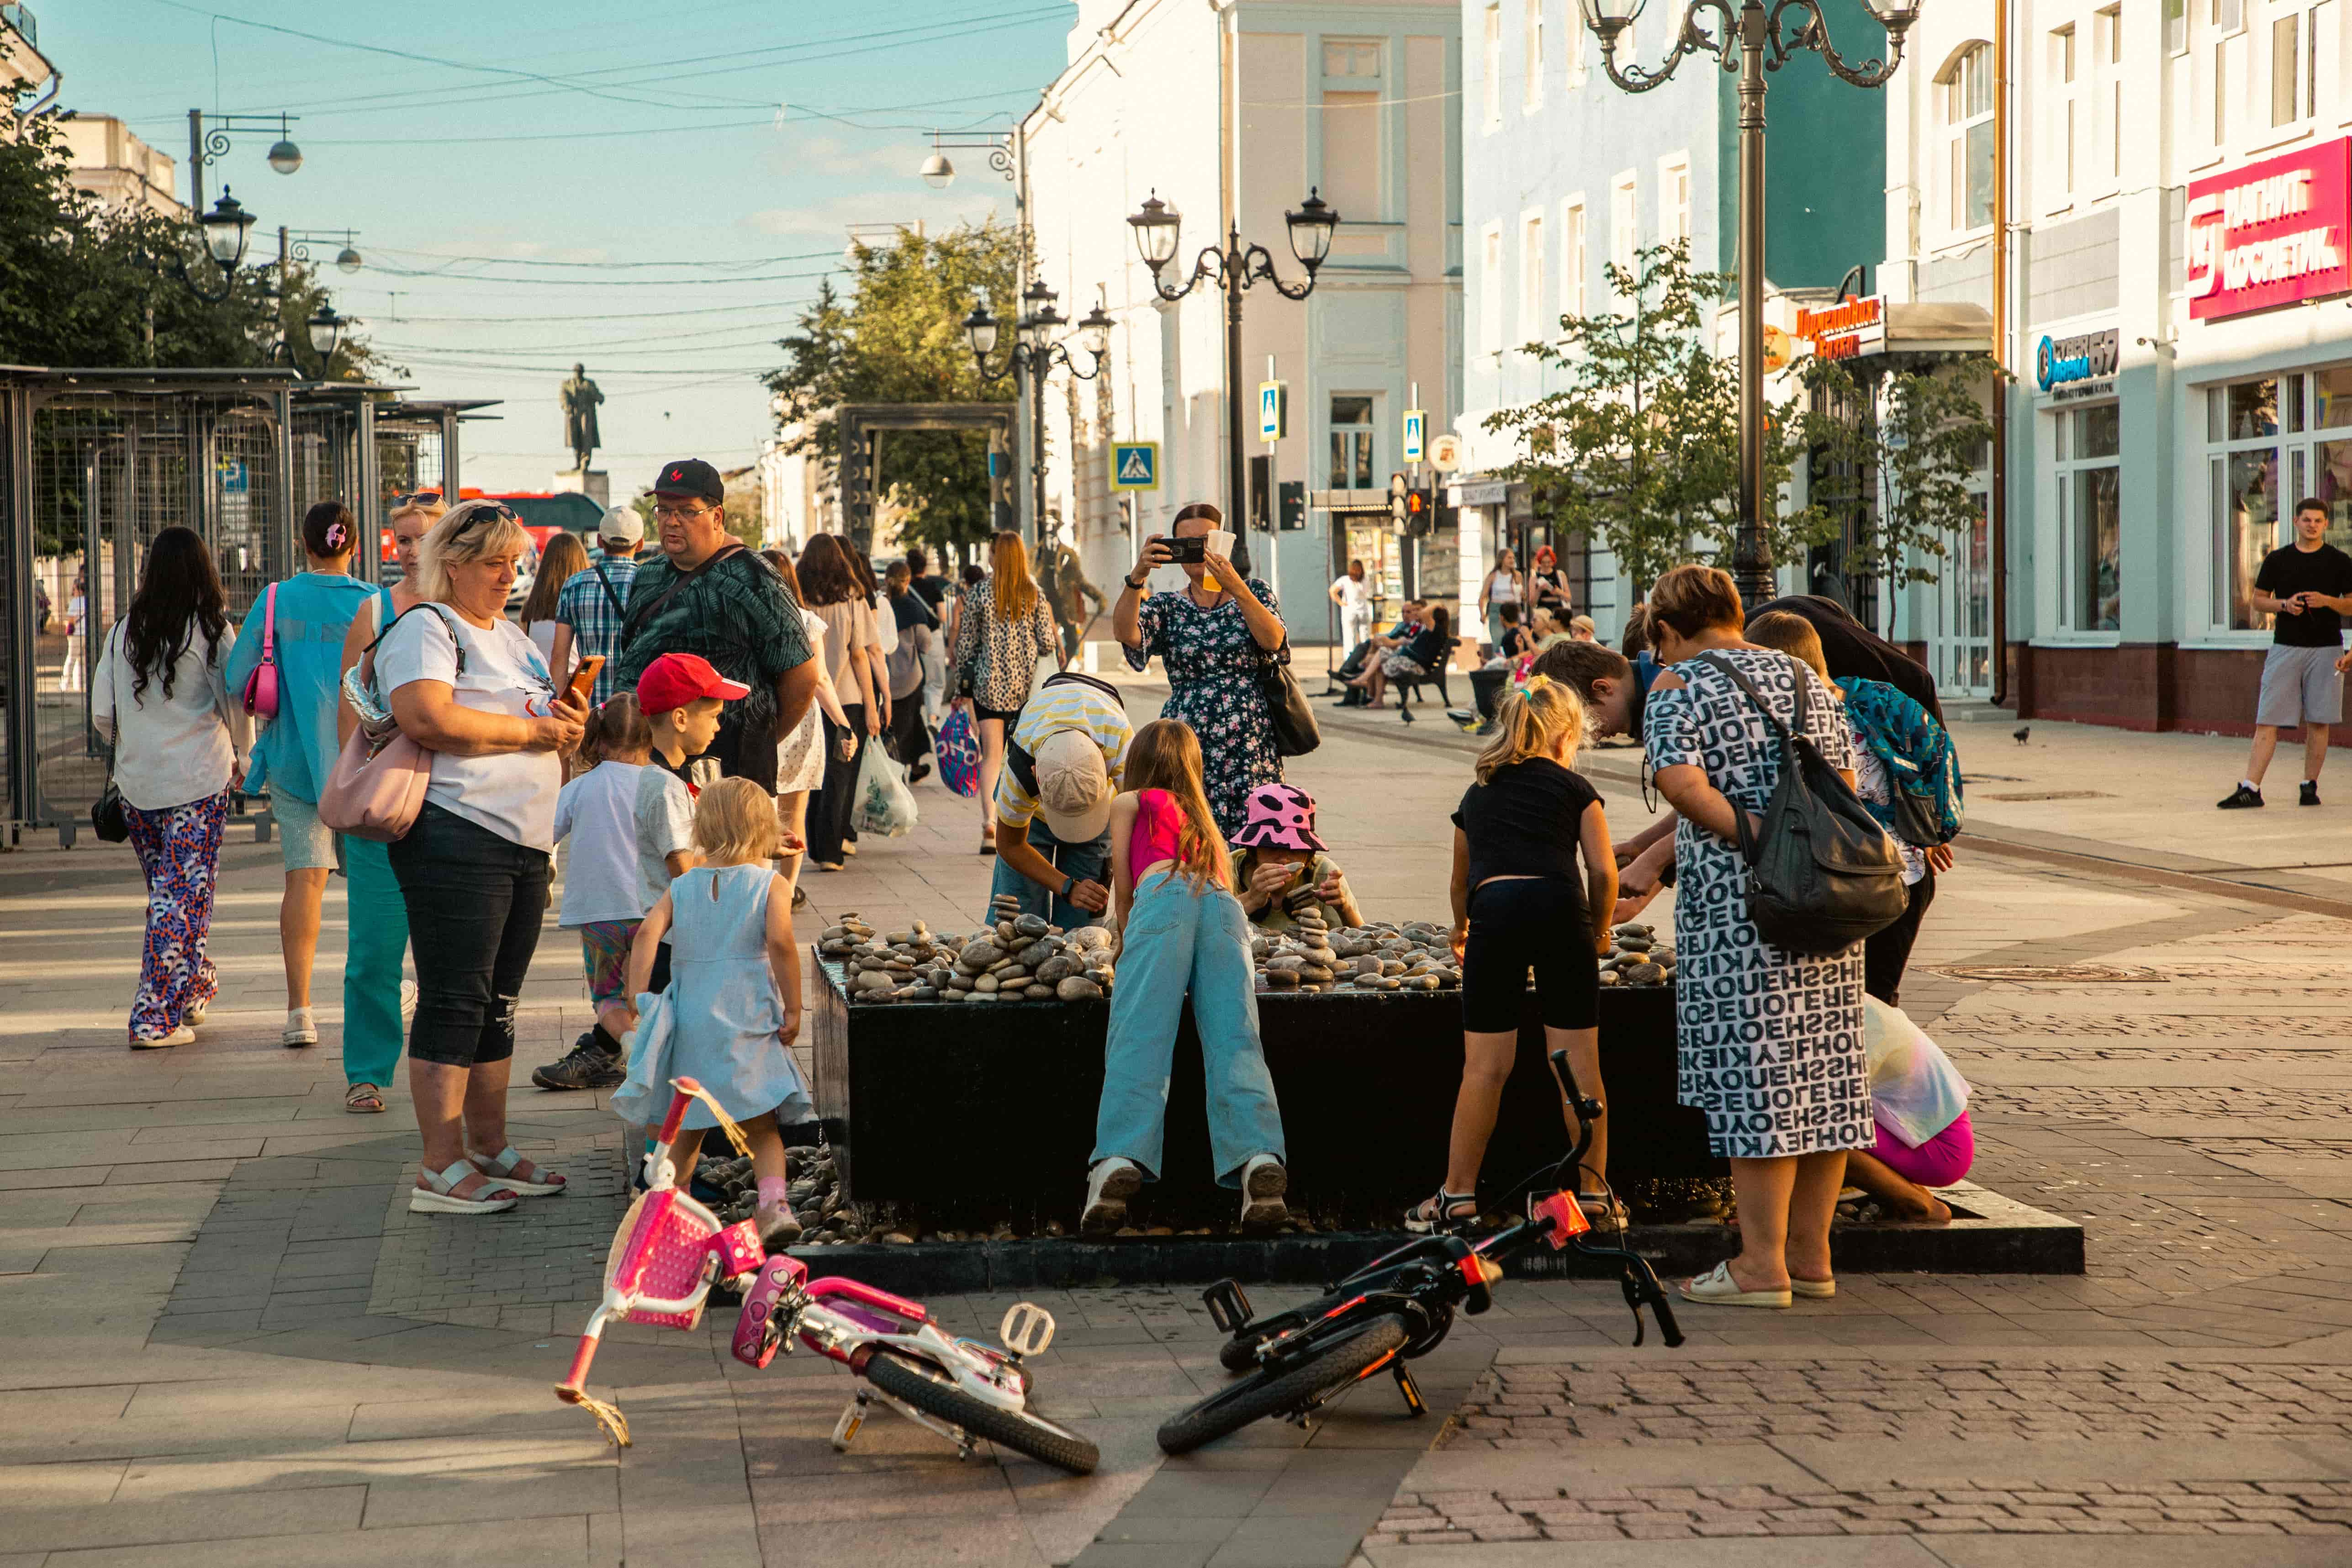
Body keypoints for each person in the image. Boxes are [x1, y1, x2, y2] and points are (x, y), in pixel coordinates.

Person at [1641, 565, 1867, 1309]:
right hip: (1824, 902)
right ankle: (1811, 1256)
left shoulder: (1678, 686)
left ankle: (1758, 1265)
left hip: (1739, 912)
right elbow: (1843, 780)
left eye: (1658, 641)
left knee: (1755, 1079)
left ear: (1669, 631)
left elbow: (1679, 784)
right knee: (1823, 1074)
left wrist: (1753, 832)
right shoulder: (1806, 679)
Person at [376, 499, 586, 1215]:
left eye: (514, 561)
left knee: (499, 1003)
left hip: (524, 841)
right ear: (454, 564)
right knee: (454, 1000)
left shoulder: (517, 638)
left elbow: (537, 716)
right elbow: (426, 717)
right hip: (455, 835)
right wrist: (531, 739)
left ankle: (489, 1147)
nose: (509, 574)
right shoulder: (426, 629)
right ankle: (439, 1167)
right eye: (494, 563)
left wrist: (566, 725)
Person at [1412, 679, 1618, 1232]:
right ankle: (1593, 1195)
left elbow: (1460, 882)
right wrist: (1598, 931)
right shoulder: (1576, 789)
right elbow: (1602, 870)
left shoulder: (1477, 794)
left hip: (1495, 910)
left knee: (1484, 1066)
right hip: (1558, 907)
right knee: (1579, 1064)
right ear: (1569, 734)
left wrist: (1462, 930)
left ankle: (1457, 1196)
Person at [1086, 718, 1289, 1233]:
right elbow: (1225, 897)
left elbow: (1126, 894)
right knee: (1237, 1039)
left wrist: (1126, 948)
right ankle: (1259, 1161)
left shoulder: (1131, 801)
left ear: (1138, 762)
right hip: (1223, 909)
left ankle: (1117, 1160)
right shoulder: (1205, 820)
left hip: (1162, 899)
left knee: (1140, 1035)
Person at [616, 777, 812, 1246]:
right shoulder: (772, 885)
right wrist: (794, 1008)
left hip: (691, 1022)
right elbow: (783, 945)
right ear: (766, 828)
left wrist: (635, 994)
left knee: (687, 1128)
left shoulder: (682, 886)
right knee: (762, 1126)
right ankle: (773, 1206)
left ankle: (670, 1208)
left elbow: (647, 934)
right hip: (747, 1020)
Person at [1747, 610, 1957, 1008]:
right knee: (1878, 998)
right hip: (1905, 873)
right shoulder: (1867, 696)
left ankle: (1902, 1071)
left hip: (1857, 878)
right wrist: (1924, 833)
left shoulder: (1817, 718)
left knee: (1860, 1005)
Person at [227, 500, 375, 1049]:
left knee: (304, 881)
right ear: (352, 546)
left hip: (294, 761)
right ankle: (382, 985)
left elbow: (237, 676)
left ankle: (300, 1011)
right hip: (362, 763)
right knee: (370, 883)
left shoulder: (273, 600)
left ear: (305, 545)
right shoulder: (374, 604)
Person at [94, 527, 248, 1050]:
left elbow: (101, 714)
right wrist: (243, 755)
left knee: (172, 894)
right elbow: (237, 703)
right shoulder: (212, 631)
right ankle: (153, 1017)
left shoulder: (122, 632)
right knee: (181, 898)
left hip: (138, 785)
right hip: (198, 783)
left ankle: (194, 984)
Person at [613, 459, 817, 792]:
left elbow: (802, 677)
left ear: (717, 516)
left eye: (686, 511)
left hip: (731, 776)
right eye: (663, 510)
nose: (671, 521)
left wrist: (759, 738)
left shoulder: (755, 578)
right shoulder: (648, 575)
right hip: (647, 766)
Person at [333, 493, 443, 1112]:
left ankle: (442, 1068)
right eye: (400, 539)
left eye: (420, 537)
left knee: (445, 951)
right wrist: (352, 790)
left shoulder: (461, 609)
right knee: (374, 946)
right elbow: (349, 700)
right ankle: (367, 1071)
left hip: (447, 802)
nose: (407, 549)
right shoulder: (373, 610)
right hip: (383, 802)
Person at [1115, 504, 1290, 838]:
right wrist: (1136, 577)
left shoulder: (1254, 591)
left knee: (1253, 834)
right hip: (1188, 740)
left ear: (1223, 542)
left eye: (1205, 541)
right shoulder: (1167, 605)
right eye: (1187, 542)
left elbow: (1273, 640)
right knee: (1190, 831)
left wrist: (1236, 587)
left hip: (1249, 740)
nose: (1197, 551)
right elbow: (1127, 633)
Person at [535, 693, 655, 1093]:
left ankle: (628, 1043)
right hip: (652, 916)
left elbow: (543, 835)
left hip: (599, 914)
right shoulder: (662, 785)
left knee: (607, 997)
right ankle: (653, 1049)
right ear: (650, 739)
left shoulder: (581, 787)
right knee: (651, 992)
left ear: (598, 740)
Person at [2220, 497, 2352, 809]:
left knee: (2319, 721)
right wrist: (2284, 605)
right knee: (2268, 718)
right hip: (2285, 647)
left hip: (2326, 649)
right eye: (2306, 520)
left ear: (2326, 524)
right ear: (2295, 522)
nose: (2312, 525)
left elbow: (2350, 603)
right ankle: (2250, 788)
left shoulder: (2339, 561)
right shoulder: (2278, 560)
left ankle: (2309, 786)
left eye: (2318, 521)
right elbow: (2258, 600)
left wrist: (2327, 601)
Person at [990, 669, 1131, 929]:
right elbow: (1010, 846)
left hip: (1099, 812)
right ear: (1037, 776)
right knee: (1020, 923)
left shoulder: (1120, 745)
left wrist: (1126, 908)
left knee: (1081, 929)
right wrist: (1067, 887)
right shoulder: (1019, 768)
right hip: (1035, 817)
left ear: (1106, 766)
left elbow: (1142, 830)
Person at [952, 530, 1061, 854]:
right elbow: (1048, 643)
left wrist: (961, 687)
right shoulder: (1034, 595)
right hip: (1027, 691)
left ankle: (989, 824)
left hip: (988, 688)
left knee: (992, 756)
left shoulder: (979, 594)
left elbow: (966, 645)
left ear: (995, 556)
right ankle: (1024, 823)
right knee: (1025, 757)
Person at [762, 549, 855, 905]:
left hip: (764, 719)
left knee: (760, 809)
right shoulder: (805, 620)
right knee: (793, 812)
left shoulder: (749, 617)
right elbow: (820, 678)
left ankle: (759, 883)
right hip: (802, 721)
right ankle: (786, 890)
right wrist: (843, 723)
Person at [1845, 997, 1973, 1224]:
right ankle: (1909, 1195)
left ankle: (1918, 1205)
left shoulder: (1841, 1019)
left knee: (1818, 1134)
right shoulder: (1848, 999)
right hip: (1940, 1138)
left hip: (1940, 1150)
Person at [797, 533, 882, 872]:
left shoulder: (799, 596)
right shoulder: (852, 597)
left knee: (813, 772)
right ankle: (831, 849)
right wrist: (873, 703)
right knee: (840, 774)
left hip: (806, 696)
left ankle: (814, 844)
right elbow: (860, 654)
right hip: (846, 697)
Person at [1229, 782, 1362, 933]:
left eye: (1294, 848)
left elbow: (1364, 939)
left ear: (1308, 854)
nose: (1284, 859)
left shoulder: (1323, 874)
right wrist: (1251, 899)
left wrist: (1344, 908)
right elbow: (1205, 932)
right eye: (1272, 847)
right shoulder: (1228, 869)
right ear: (1253, 850)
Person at [551, 506, 647, 708]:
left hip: (590, 710)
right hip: (638, 709)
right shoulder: (650, 584)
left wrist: (562, 710)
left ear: (600, 541)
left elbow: (560, 658)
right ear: (640, 544)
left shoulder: (573, 585)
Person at [883, 560, 936, 783]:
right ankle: (900, 770)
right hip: (911, 679)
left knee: (901, 724)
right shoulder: (914, 608)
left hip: (885, 679)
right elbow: (925, 643)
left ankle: (912, 768)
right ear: (907, 582)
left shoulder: (882, 607)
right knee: (909, 724)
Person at [1349, 602, 1453, 711]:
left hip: (1415, 667)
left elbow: (1424, 613)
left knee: (1382, 654)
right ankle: (1375, 698)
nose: (1416, 613)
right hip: (1411, 662)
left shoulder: (1435, 630)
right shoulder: (1435, 631)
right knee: (1380, 655)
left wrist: (1438, 604)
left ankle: (1365, 682)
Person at [519, 529, 588, 674]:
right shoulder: (583, 607)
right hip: (575, 686)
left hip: (539, 686)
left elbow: (523, 656)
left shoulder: (530, 609)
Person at [1040, 523, 1108, 660]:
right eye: (1048, 529)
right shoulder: (1036, 553)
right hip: (1043, 606)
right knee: (1044, 644)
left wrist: (1098, 597)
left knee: (1072, 643)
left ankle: (1060, 672)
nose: (1052, 534)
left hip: (1065, 607)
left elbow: (1080, 581)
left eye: (1054, 529)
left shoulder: (1069, 554)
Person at [1478, 547, 1525, 654]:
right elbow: (1483, 597)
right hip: (1497, 610)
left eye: (1513, 558)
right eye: (1509, 558)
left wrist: (1523, 595)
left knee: (1514, 638)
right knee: (1498, 639)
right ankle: (1499, 664)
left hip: (1513, 609)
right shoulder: (1493, 576)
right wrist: (1483, 614)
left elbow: (1522, 595)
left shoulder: (1518, 575)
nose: (1512, 560)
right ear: (1502, 559)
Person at [1328, 558, 1375, 655]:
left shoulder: (1345, 580)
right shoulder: (1366, 579)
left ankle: (1350, 659)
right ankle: (1365, 657)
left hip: (1349, 611)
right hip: (1363, 610)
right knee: (1365, 637)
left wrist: (1341, 602)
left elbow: (1332, 590)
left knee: (1350, 637)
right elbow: (1367, 591)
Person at [1527, 545, 1572, 621]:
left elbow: (1569, 597)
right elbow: (1532, 603)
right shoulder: (1534, 578)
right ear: (1540, 562)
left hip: (1559, 609)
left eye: (1549, 562)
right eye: (1543, 562)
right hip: (1542, 611)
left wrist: (1560, 592)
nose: (1546, 565)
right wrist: (1539, 590)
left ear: (1553, 562)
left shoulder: (1560, 575)